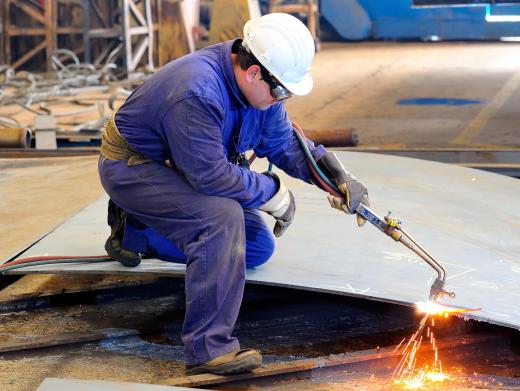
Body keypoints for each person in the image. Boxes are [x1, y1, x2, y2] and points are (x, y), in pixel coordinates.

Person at [98, 12, 369, 375]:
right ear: (254, 72)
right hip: (135, 169)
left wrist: (334, 175)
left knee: (256, 247)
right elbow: (209, 177)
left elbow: (285, 143)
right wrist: (273, 192)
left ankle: (135, 231)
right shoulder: (196, 90)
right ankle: (208, 350)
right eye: (281, 90)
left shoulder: (260, 91)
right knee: (219, 220)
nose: (281, 99)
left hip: (177, 167)